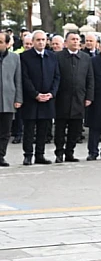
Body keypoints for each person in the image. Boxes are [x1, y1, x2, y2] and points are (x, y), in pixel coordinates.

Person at [19, 31, 60, 166]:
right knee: (29, 129)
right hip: (31, 99)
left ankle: (40, 155)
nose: (41, 42)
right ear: (34, 41)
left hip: (47, 99)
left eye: (43, 40)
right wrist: (35, 94)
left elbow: (56, 77)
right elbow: (25, 78)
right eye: (38, 40)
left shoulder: (52, 57)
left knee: (43, 128)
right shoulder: (24, 57)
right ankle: (28, 155)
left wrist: (51, 93)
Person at [54, 32, 94, 163]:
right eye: (73, 39)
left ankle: (70, 152)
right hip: (62, 98)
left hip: (79, 98)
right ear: (66, 43)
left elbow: (90, 79)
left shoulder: (85, 58)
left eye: (77, 39)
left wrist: (89, 96)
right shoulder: (58, 57)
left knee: (75, 129)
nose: (75, 42)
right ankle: (59, 152)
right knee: (60, 128)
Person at [0, 32, 23, 167]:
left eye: (1, 42)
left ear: (7, 44)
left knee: (5, 132)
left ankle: (1, 155)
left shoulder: (15, 58)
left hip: (8, 100)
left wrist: (18, 98)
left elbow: (18, 79)